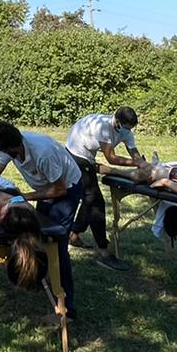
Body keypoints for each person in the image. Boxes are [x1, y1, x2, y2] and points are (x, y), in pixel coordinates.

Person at [0, 121, 85, 320]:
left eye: (1, 151)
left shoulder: (43, 153)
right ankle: (39, 280)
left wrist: (23, 197)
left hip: (67, 190)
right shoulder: (9, 147)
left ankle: (67, 310)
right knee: (37, 235)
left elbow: (59, 190)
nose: (0, 155)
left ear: (12, 147)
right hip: (46, 189)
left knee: (56, 246)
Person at [63, 107, 142, 265]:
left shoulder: (125, 130)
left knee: (89, 198)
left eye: (130, 129)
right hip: (76, 153)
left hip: (88, 155)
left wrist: (141, 163)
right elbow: (111, 158)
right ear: (117, 121)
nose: (127, 131)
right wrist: (137, 163)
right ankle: (103, 251)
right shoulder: (103, 127)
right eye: (126, 128)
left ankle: (73, 234)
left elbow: (133, 149)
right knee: (96, 201)